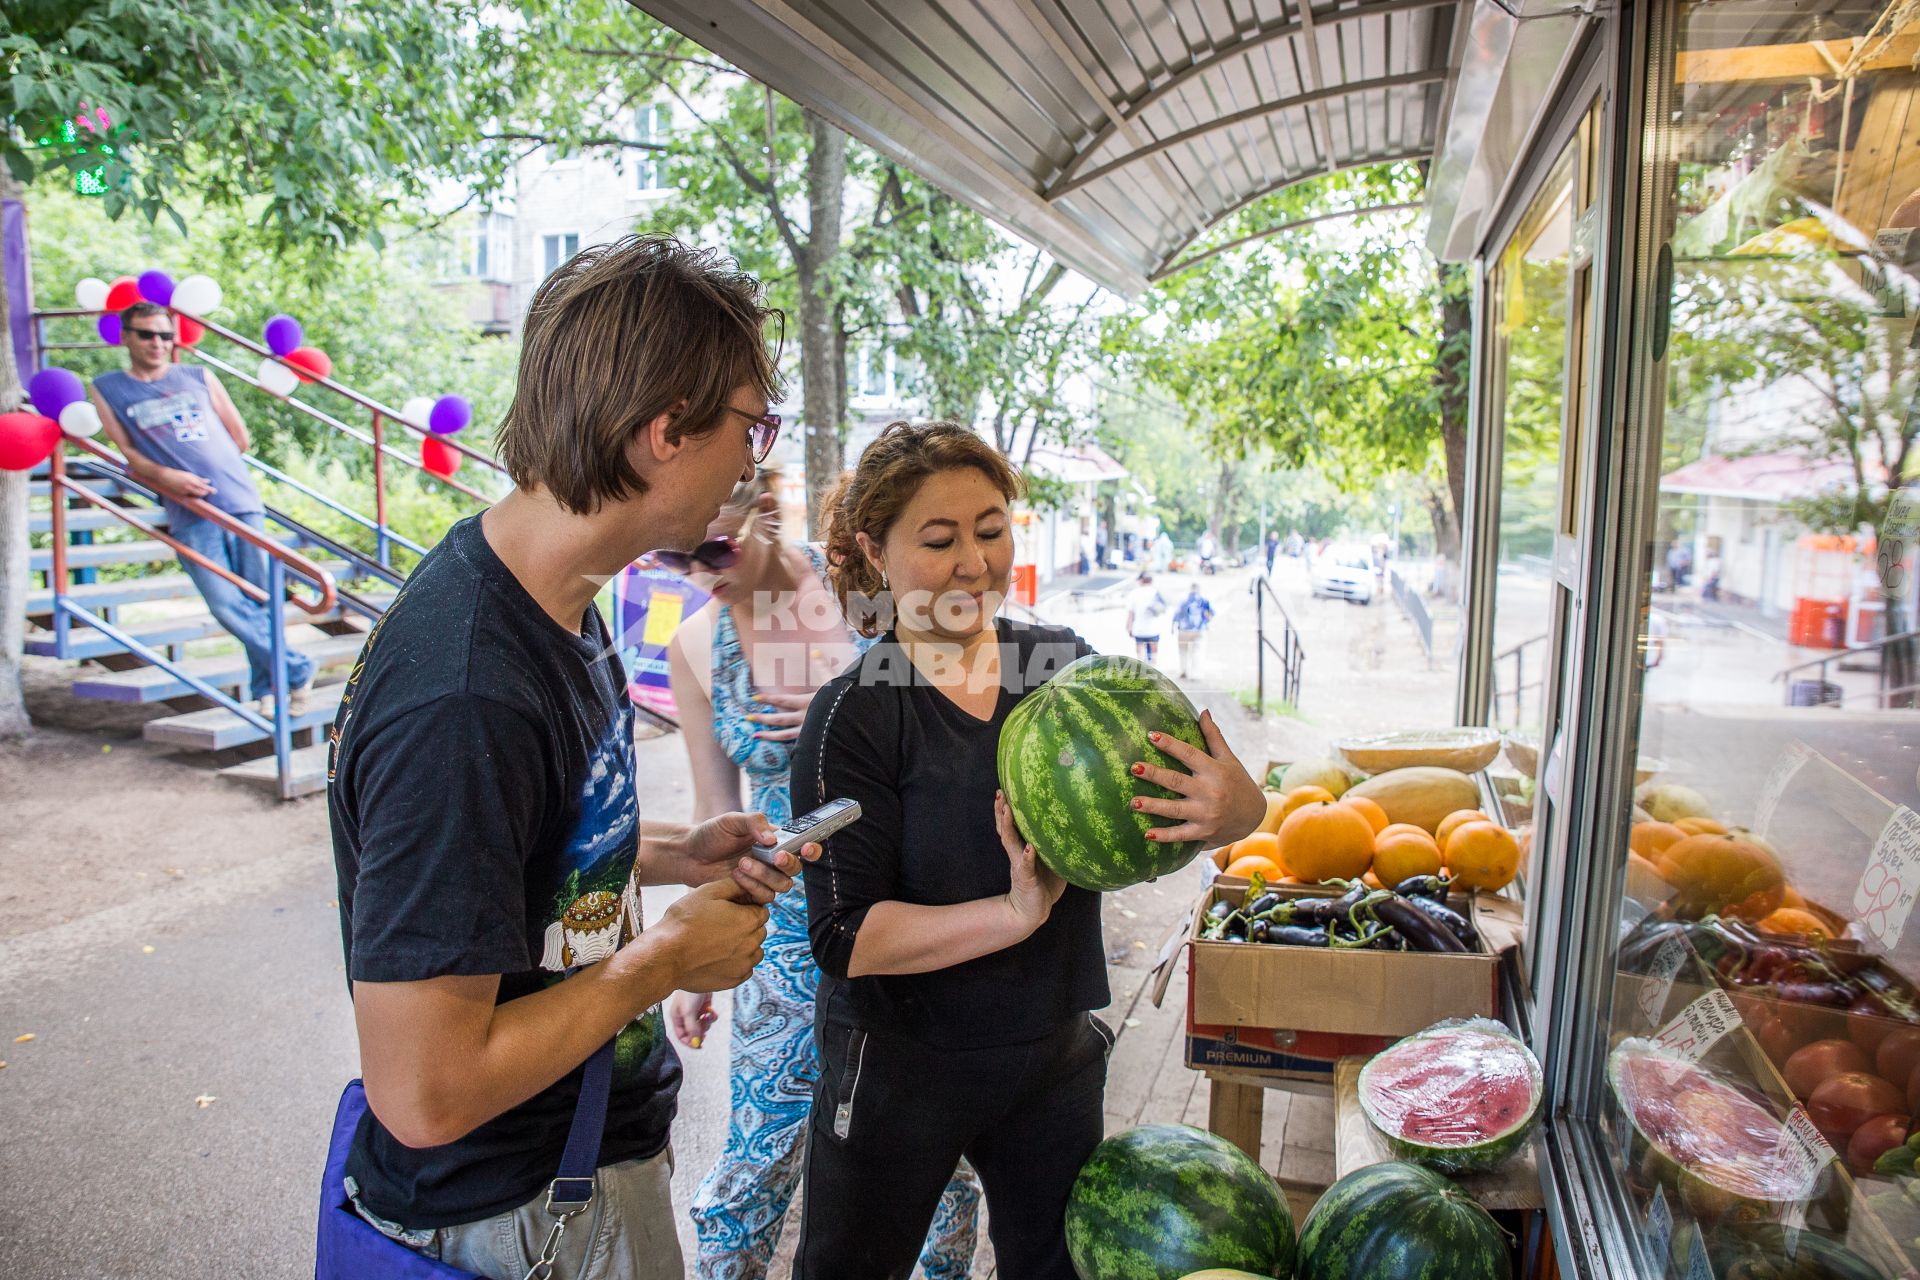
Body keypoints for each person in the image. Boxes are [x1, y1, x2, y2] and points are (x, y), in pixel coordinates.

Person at [327, 236, 808, 1280]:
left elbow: (524, 852)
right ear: (667, 429)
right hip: (510, 1219)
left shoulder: (558, 600)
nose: (753, 462)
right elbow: (424, 1090)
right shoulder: (464, 695)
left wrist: (682, 851)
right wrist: (668, 958)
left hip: (579, 1171)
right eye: (751, 425)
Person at [790, 421, 1265, 1279]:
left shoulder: (1066, 667)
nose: (975, 562)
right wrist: (1010, 916)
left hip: (1050, 1057)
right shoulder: (854, 715)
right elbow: (844, 936)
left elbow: (1179, 809)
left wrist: (1235, 811)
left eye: (992, 527)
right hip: (900, 1069)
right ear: (876, 549)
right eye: (939, 539)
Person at [664, 470, 980, 1280]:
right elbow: (714, 820)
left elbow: (960, 703)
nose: (702, 569)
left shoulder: (858, 586)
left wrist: (848, 712)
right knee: (757, 1157)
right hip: (788, 934)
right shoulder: (694, 646)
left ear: (750, 499)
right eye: (676, 560)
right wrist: (689, 965)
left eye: (711, 545)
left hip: (908, 910)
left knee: (938, 1167)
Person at [90, 301, 314, 715]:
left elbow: (239, 437)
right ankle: (297, 669)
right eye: (147, 334)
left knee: (259, 601)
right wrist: (168, 478)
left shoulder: (196, 375)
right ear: (126, 337)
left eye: (165, 335)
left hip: (239, 500)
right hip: (188, 511)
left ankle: (270, 688)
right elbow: (129, 455)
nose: (157, 343)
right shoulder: (109, 388)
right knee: (225, 603)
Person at [1125, 570, 1170, 664]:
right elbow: (1164, 608)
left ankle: (1141, 671)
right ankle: (1152, 671)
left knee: (1140, 656)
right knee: (1153, 656)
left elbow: (1130, 613)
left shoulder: (1134, 593)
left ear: (1141, 580)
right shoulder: (1156, 593)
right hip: (1154, 629)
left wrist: (1129, 627)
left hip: (1139, 629)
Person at [1172, 580, 1215, 680]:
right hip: (1199, 629)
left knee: (1183, 650)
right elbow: (1210, 613)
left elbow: (1176, 615)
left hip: (1183, 629)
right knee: (1197, 651)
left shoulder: (1183, 600)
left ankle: (1183, 671)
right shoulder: (1204, 600)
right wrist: (1207, 621)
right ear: (1199, 589)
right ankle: (1196, 674)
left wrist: (1173, 627)